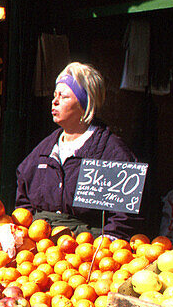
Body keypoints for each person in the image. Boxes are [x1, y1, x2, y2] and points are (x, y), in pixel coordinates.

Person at [15, 62, 138, 239]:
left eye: (64, 97)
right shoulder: (44, 150)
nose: (54, 101)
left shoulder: (112, 153)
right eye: (54, 95)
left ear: (85, 104)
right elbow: (23, 202)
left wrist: (108, 240)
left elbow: (125, 216)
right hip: (41, 248)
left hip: (88, 249)